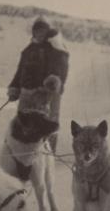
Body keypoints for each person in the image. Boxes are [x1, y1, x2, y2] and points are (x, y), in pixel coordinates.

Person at [7, 17, 69, 153]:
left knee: (47, 124)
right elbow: (20, 71)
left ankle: (48, 154)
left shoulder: (55, 47)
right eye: (37, 31)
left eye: (42, 31)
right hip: (26, 94)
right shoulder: (28, 50)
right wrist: (14, 88)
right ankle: (24, 153)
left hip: (46, 94)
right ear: (33, 33)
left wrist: (54, 81)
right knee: (24, 123)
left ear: (47, 32)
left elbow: (61, 67)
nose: (39, 34)